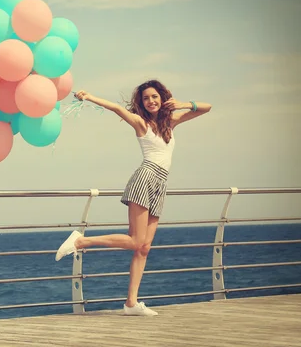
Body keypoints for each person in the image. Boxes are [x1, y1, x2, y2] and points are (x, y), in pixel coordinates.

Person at [55, 79, 212, 316]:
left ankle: (131, 303)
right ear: (141, 103)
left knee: (144, 248)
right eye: (146, 98)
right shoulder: (141, 123)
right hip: (145, 178)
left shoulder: (171, 122)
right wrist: (90, 97)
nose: (150, 101)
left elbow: (206, 107)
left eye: (154, 97)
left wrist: (181, 104)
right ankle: (80, 241)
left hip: (160, 184)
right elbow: (117, 109)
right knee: (136, 240)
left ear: (162, 98)